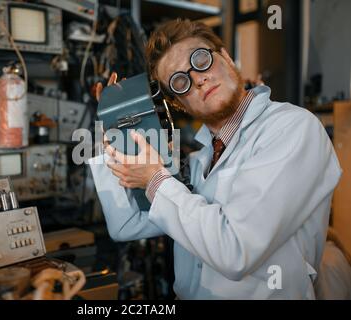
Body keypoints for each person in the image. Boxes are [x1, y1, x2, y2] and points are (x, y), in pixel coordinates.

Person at [88, 19, 342, 299]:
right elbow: (127, 224)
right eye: (181, 81)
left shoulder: (291, 128)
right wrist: (111, 128)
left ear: (226, 57)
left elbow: (236, 251)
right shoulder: (200, 160)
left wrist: (156, 180)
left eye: (201, 59)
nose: (198, 78)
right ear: (178, 103)